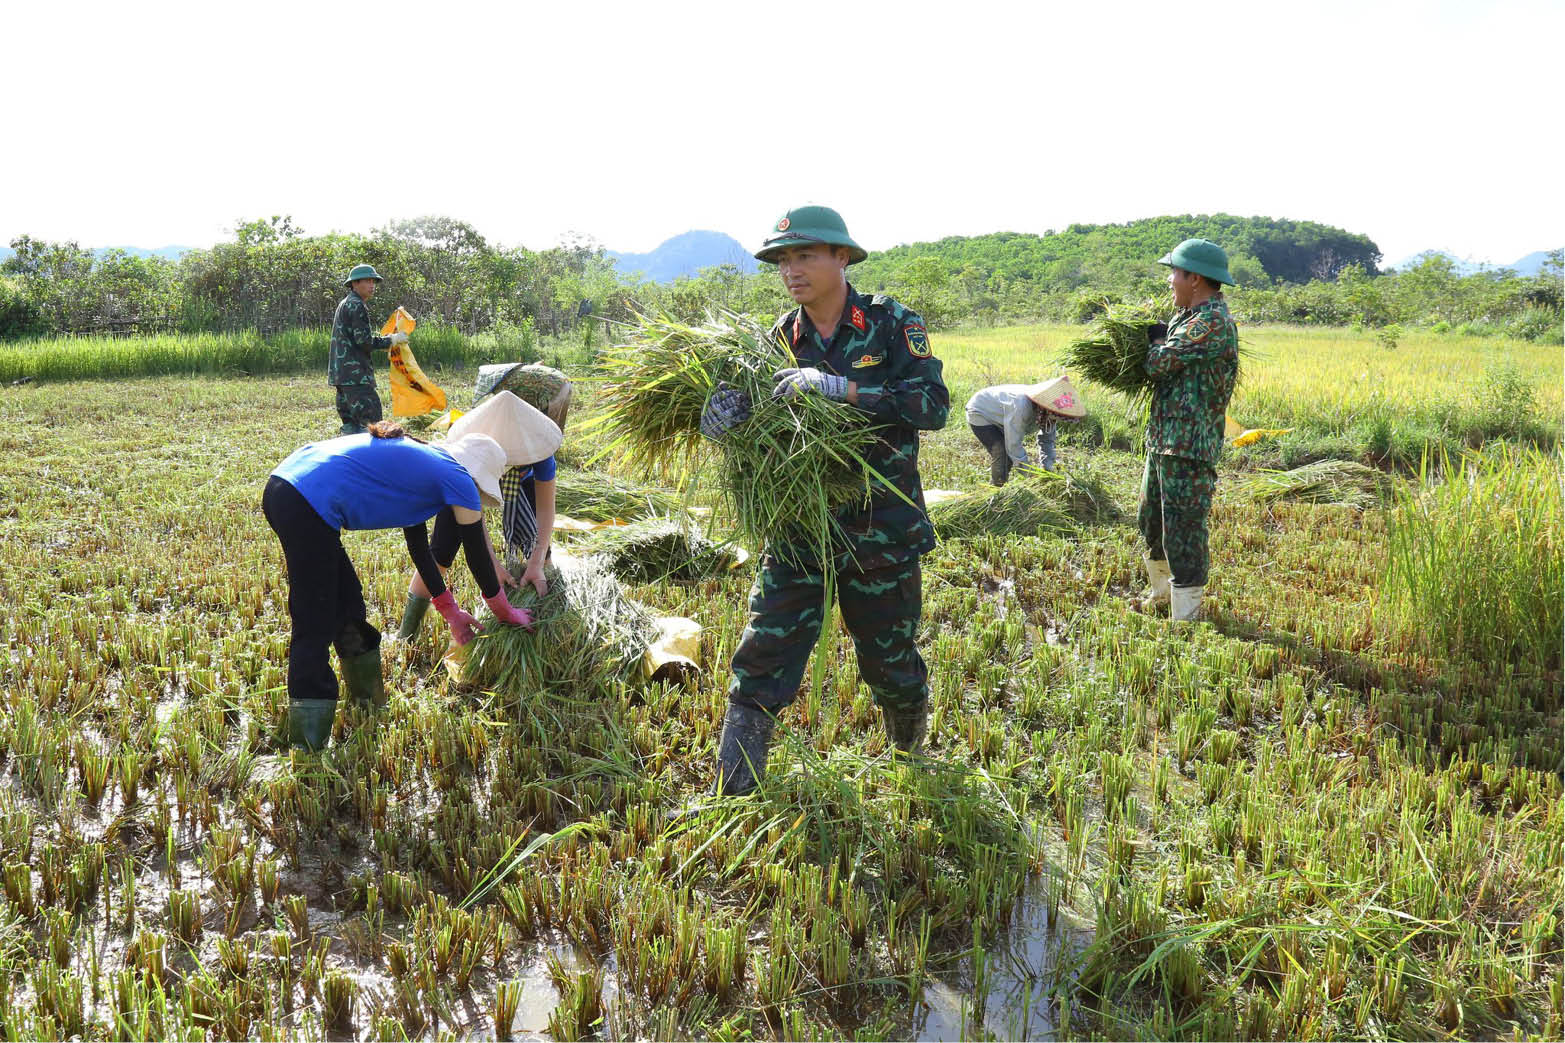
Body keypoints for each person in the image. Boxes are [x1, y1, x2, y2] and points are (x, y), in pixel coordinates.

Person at [700, 205, 949, 795]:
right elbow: (758, 432)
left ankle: (911, 760)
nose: (791, 269)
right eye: (783, 259)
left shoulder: (891, 326)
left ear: (842, 257)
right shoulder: (774, 342)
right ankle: (733, 796)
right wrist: (723, 419)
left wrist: (844, 390)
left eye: (805, 255)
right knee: (762, 655)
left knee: (890, 663)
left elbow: (932, 406)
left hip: (879, 528)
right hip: (799, 528)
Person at [263, 421, 534, 751]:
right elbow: (478, 555)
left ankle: (366, 701)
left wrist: (451, 612)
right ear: (477, 477)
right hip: (303, 499)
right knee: (315, 618)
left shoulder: (421, 469)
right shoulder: (458, 478)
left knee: (347, 604)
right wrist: (506, 613)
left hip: (292, 487)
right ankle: (307, 746)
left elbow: (421, 550)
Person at [395, 391, 564, 643]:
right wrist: (493, 565)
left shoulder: (539, 455)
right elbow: (473, 524)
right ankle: (406, 633)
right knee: (440, 555)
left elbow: (545, 510)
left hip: (521, 487)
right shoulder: (471, 454)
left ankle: (549, 625)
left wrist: (537, 561)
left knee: (541, 552)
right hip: (465, 477)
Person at [1138, 238, 1240, 622]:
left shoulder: (1212, 321)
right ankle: (1161, 595)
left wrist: (1154, 341)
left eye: (1174, 273)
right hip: (1164, 440)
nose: (1169, 280)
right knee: (1151, 520)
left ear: (1194, 278)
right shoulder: (1186, 317)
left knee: (1184, 531)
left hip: (1189, 445)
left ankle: (1186, 617)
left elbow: (1161, 364)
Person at [329, 264, 407, 435]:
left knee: (350, 428)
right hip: (356, 377)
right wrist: (391, 340)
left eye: (373, 281)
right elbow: (364, 341)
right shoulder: (357, 305)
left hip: (342, 376)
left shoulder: (345, 303)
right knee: (373, 426)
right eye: (367, 281)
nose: (372, 286)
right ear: (355, 283)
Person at [965, 375, 1086, 485]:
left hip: (1002, 414)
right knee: (1001, 452)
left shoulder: (1048, 413)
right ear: (1047, 409)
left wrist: (1048, 471)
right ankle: (995, 492)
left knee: (1007, 455)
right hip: (981, 411)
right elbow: (1013, 445)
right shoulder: (1022, 407)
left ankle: (999, 486)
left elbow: (1047, 441)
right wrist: (1030, 475)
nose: (1056, 420)